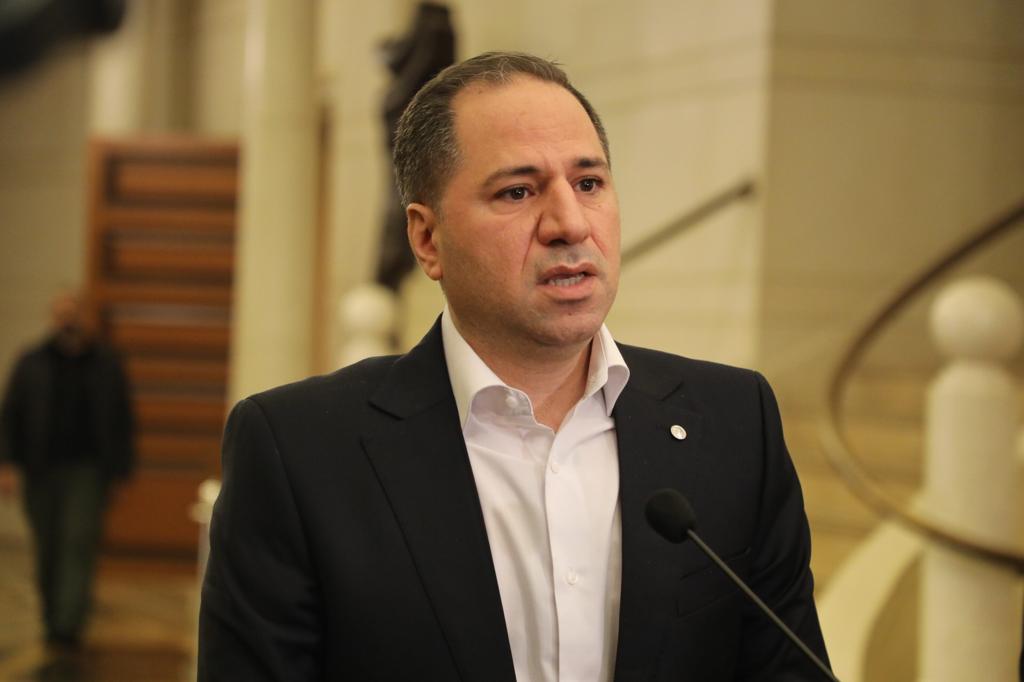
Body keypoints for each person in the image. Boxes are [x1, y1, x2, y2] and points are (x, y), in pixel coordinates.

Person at [199, 52, 829, 681]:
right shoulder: (298, 452)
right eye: (518, 192)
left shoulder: (733, 422)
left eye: (589, 183)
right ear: (427, 239)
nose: (569, 224)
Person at [0, 290, 135, 647]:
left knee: (77, 540)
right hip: (40, 468)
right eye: (62, 314)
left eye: (74, 313)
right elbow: (10, 414)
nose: (68, 321)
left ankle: (69, 622)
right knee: (47, 544)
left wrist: (121, 472)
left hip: (88, 470)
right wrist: (6, 464)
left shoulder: (106, 363)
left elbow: (123, 419)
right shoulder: (32, 362)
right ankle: (51, 616)